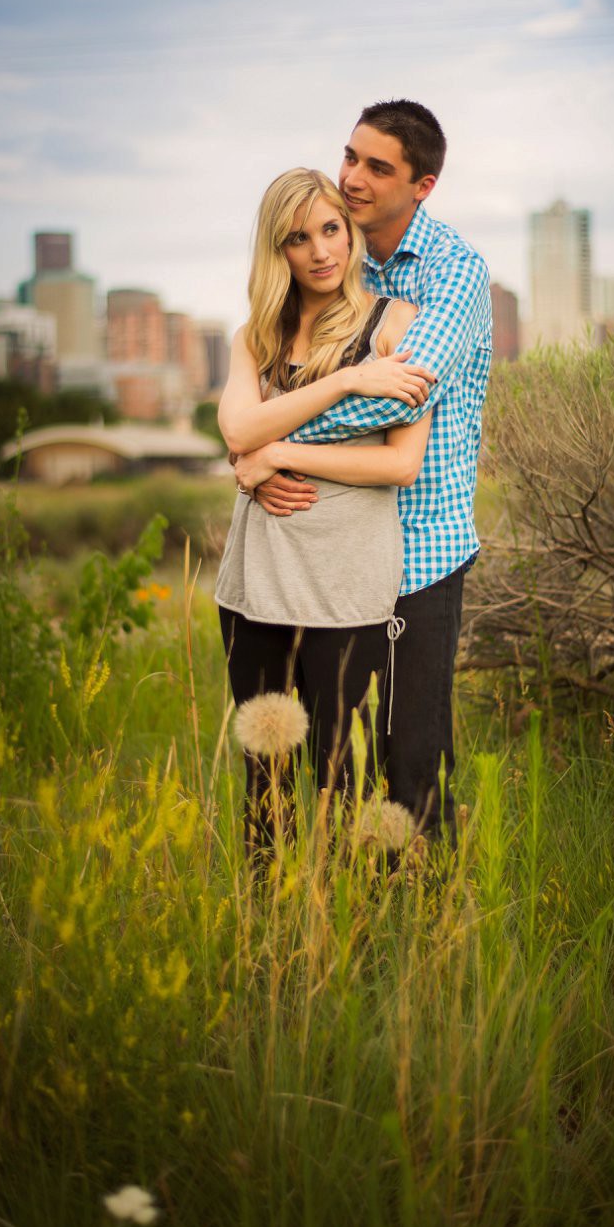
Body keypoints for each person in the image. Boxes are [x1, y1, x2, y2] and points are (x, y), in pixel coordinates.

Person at [239, 101, 492, 843]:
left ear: (423, 185)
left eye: (378, 167)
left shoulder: (454, 274)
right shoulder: (332, 257)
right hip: (333, 554)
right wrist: (250, 442)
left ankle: (428, 932)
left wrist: (264, 446)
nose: (351, 177)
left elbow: (398, 394)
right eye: (350, 156)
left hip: (421, 553)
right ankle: (342, 926)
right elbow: (268, 375)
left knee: (412, 763)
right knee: (328, 764)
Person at [215, 167, 436, 855]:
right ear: (275, 250)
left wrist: (276, 459)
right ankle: (268, 944)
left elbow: (401, 463)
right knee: (265, 783)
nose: (320, 251)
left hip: (345, 587)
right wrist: (346, 378)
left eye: (331, 229)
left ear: (350, 228)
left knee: (341, 778)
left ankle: (347, 937)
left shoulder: (396, 324)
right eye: (297, 237)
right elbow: (237, 433)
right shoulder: (255, 335)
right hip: (256, 584)